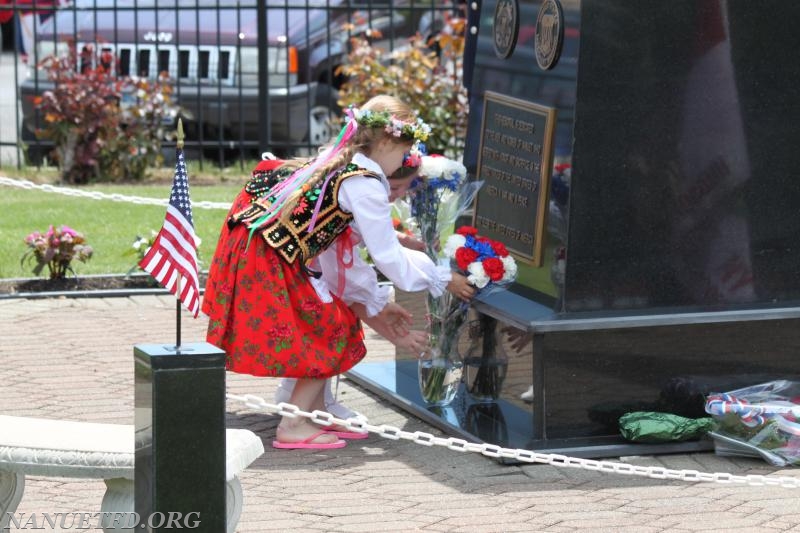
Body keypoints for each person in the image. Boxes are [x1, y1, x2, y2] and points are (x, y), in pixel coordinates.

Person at [202, 95, 476, 450]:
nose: (403, 161)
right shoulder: (364, 181)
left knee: (331, 321)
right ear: (387, 141)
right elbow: (387, 257)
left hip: (268, 249)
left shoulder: (343, 161)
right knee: (332, 331)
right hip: (272, 256)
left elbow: (340, 245)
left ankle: (313, 412)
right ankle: (295, 424)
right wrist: (441, 277)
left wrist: (371, 297)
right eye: (403, 150)